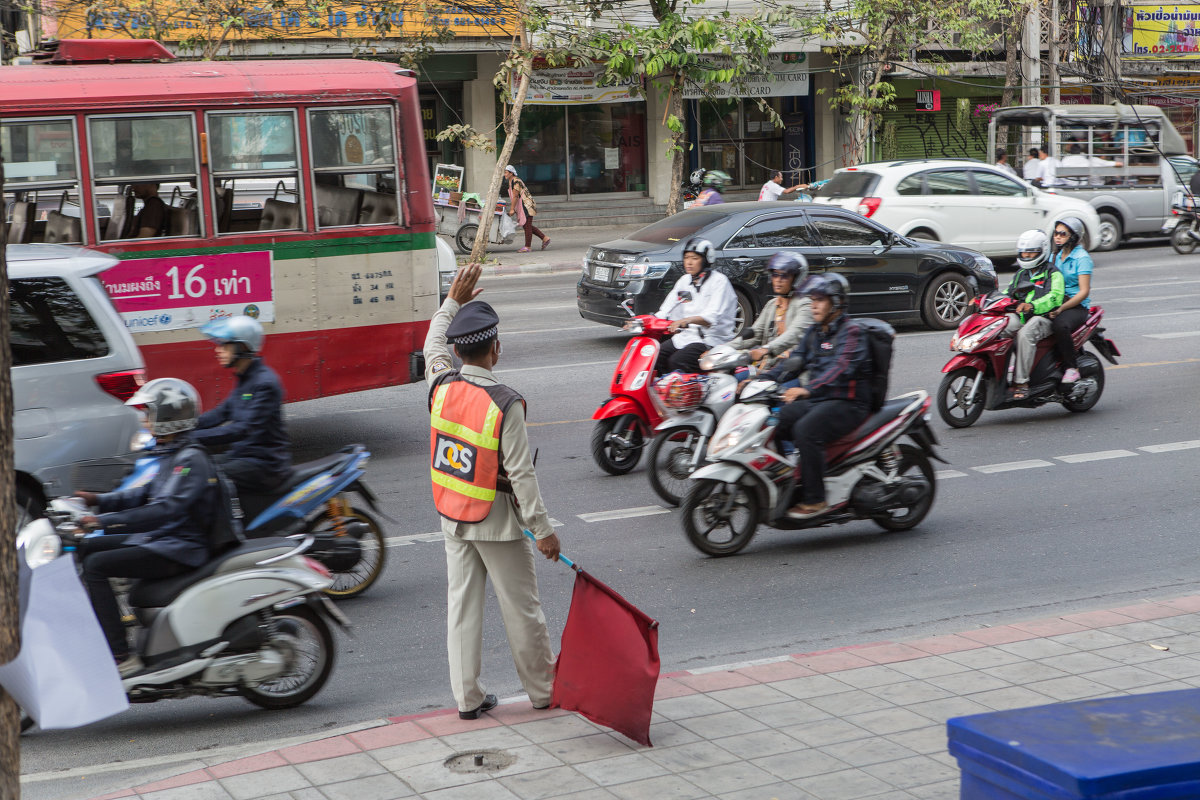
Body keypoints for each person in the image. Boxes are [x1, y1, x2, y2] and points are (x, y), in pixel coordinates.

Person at [422, 263, 561, 720]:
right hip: (498, 523)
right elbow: (522, 476)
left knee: (461, 609)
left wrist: (451, 303)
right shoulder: (505, 402)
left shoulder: (440, 384)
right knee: (522, 610)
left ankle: (468, 698)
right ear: (495, 349)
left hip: (452, 515)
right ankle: (543, 691)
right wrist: (543, 531)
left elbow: (431, 345)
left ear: (461, 351)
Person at [73, 378, 221, 676]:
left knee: (97, 566)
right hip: (163, 539)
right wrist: (97, 501)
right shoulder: (173, 453)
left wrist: (102, 521)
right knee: (85, 548)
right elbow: (142, 494)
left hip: (179, 548)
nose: (145, 420)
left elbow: (164, 509)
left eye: (150, 413)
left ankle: (120, 654)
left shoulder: (190, 460)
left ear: (168, 419)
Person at [761, 273, 872, 518]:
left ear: (837, 303)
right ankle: (788, 481)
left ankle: (815, 500)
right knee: (777, 421)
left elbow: (841, 369)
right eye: (812, 300)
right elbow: (793, 362)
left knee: (806, 430)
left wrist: (808, 390)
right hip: (821, 399)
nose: (814, 305)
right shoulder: (814, 332)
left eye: (820, 300)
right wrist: (759, 381)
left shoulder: (851, 332)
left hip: (848, 402)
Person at [190, 315, 292, 493]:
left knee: (205, 477)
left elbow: (243, 429)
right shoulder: (245, 378)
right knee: (191, 468)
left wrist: (192, 438)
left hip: (264, 465)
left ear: (242, 347)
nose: (218, 350)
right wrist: (181, 428)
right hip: (242, 457)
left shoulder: (265, 383)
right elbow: (221, 414)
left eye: (224, 345)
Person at [652, 237, 738, 374]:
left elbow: (711, 317)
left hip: (712, 339)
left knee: (676, 361)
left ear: (705, 260)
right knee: (654, 356)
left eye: (694, 258)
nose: (689, 262)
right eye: (686, 258)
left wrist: (687, 320)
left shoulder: (719, 282)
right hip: (686, 337)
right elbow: (666, 309)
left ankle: (688, 393)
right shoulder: (684, 281)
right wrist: (646, 320)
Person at [724, 251, 813, 370]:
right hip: (768, 366)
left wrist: (766, 349)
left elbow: (793, 334)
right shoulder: (772, 305)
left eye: (784, 275)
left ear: (796, 278)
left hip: (792, 368)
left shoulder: (805, 305)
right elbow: (755, 334)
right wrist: (724, 349)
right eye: (775, 274)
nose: (778, 280)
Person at [1004, 229, 1065, 400]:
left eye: (1031, 252)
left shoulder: (1053, 273)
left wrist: (1032, 306)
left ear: (1041, 251)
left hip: (1043, 319)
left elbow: (1054, 298)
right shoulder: (1020, 274)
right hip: (1022, 316)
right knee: (999, 327)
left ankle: (1022, 382)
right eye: (1024, 252)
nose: (1027, 255)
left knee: (1025, 334)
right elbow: (1008, 293)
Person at [1047, 218, 1093, 384]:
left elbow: (1084, 291)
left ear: (1073, 236)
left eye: (1062, 234)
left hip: (1076, 306)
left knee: (1059, 325)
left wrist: (1061, 308)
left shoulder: (1082, 258)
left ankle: (1072, 368)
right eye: (1056, 233)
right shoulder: (1056, 255)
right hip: (1056, 300)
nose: (1057, 237)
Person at [504, 165, 549, 253]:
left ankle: (528, 247)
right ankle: (545, 238)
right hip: (523, 205)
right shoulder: (511, 181)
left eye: (506, 172)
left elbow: (516, 196)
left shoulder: (516, 181)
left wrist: (512, 209)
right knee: (527, 225)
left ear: (511, 173)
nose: (504, 174)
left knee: (527, 225)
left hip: (526, 205)